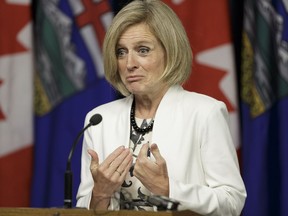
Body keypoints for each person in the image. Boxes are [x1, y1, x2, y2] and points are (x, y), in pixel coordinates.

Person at [76, 0, 247, 215]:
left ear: (170, 52)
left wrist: (169, 189)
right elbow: (84, 207)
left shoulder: (205, 113)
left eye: (143, 50)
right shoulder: (99, 119)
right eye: (121, 52)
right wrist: (100, 194)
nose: (129, 63)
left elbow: (232, 202)